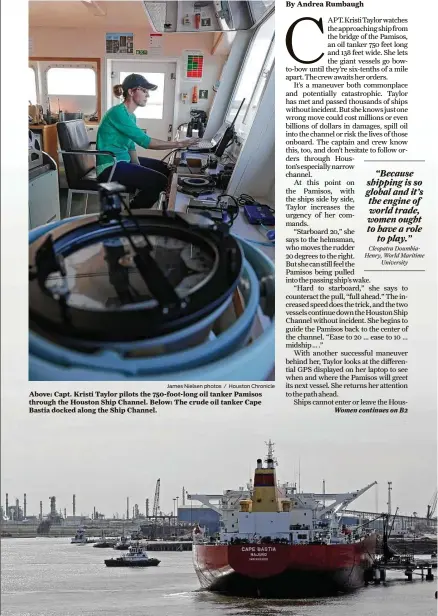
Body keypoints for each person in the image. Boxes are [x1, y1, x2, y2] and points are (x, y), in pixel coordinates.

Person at [96, 73, 197, 208]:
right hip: (109, 166)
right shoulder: (117, 113)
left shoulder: (131, 116)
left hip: (123, 161)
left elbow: (131, 146)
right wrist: (178, 144)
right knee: (159, 181)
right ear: (131, 92)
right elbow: (146, 142)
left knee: (165, 169)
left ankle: (155, 206)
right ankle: (134, 214)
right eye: (144, 90)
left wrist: (137, 166)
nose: (147, 95)